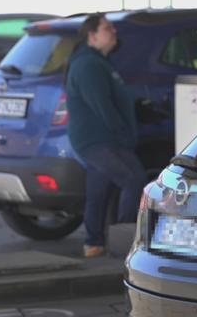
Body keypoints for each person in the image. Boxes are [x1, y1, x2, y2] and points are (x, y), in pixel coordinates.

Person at [66, 13, 146, 258]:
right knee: (133, 179)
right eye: (108, 28)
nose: (114, 32)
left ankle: (94, 243)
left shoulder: (99, 62)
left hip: (100, 138)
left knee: (98, 190)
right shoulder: (88, 65)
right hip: (99, 140)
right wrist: (123, 133)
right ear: (92, 36)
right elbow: (102, 105)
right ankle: (124, 240)